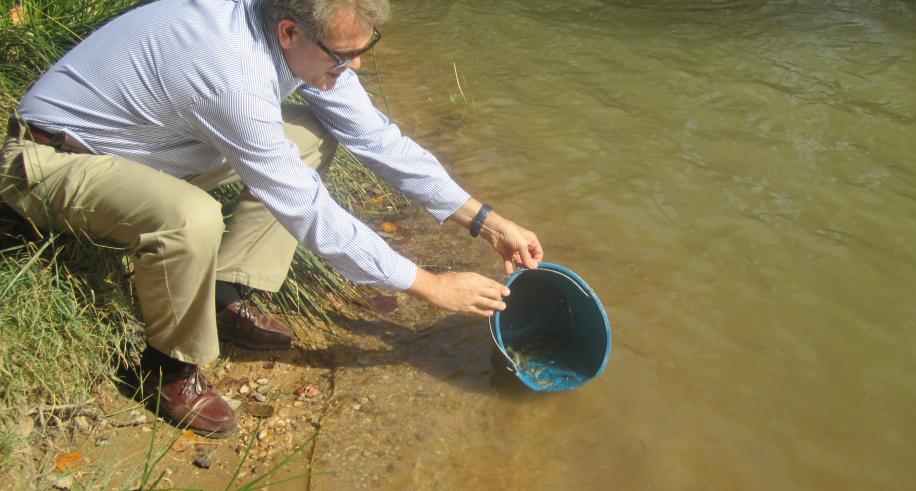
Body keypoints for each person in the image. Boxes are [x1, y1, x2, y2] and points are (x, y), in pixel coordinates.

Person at [0, 0, 543, 438]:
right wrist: (427, 285)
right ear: (290, 33)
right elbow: (304, 206)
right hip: (48, 162)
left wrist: (487, 221)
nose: (353, 67)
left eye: (362, 51)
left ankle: (225, 289)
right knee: (192, 218)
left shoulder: (294, 34)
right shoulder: (229, 69)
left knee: (310, 134)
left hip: (151, 148)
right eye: (342, 56)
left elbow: (379, 140)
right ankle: (167, 368)